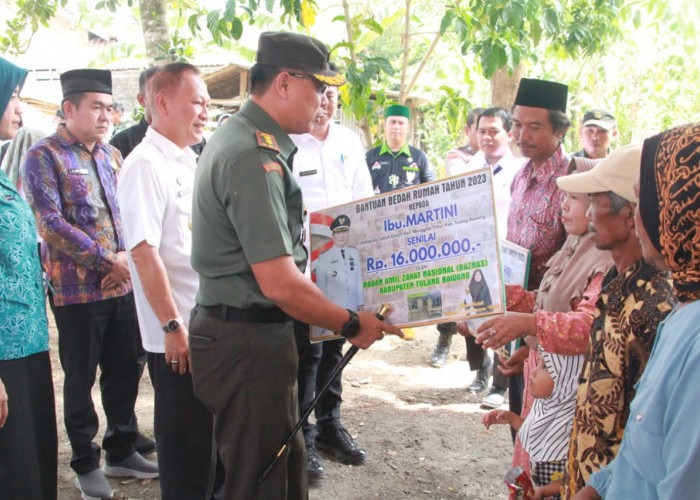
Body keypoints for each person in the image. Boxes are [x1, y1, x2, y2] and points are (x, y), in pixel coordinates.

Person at [189, 31, 403, 499]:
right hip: (245, 341)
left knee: (279, 470)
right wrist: (350, 323)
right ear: (284, 83)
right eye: (318, 88)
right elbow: (280, 283)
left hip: (254, 337)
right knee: (257, 481)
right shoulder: (252, 154)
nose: (325, 100)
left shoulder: (255, 140)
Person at [22, 68, 159, 500]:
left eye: (110, 107)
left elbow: (125, 216)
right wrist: (107, 261)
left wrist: (128, 263)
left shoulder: (110, 156)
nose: (106, 116)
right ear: (69, 109)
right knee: (80, 379)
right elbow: (49, 223)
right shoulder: (44, 155)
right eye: (96, 107)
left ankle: (122, 448)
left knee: (124, 371)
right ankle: (86, 461)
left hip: (122, 287)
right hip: (77, 291)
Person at [575, 122, 700, 500]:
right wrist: (598, 488)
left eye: (645, 202)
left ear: (682, 210)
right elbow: (643, 456)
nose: (640, 217)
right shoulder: (684, 307)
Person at [117, 63, 223, 499]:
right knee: (185, 451)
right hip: (178, 337)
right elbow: (144, 253)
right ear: (161, 103)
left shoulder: (189, 159)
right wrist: (172, 326)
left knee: (211, 447)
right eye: (197, 101)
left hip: (204, 324)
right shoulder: (144, 165)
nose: (205, 111)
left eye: (207, 103)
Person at [474, 155, 614, 475]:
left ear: (600, 205)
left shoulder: (607, 260)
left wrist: (526, 324)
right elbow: (549, 300)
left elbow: (587, 324)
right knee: (531, 461)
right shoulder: (575, 245)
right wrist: (503, 300)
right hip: (543, 381)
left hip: (566, 396)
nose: (563, 206)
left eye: (575, 199)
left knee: (549, 472)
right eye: (564, 196)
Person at [553, 143, 677, 498]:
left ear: (630, 213)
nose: (588, 213)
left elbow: (648, 431)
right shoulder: (615, 280)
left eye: (595, 201)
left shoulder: (656, 306)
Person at [289, 81, 374, 483]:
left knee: (335, 347)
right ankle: (302, 437)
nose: (323, 105)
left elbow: (364, 201)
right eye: (318, 95)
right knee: (307, 357)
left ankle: (329, 426)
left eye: (331, 97)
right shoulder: (287, 141)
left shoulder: (348, 141)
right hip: (299, 271)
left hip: (341, 265)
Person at [493, 78, 572, 423]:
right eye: (517, 125)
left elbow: (573, 277)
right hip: (520, 325)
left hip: (554, 336)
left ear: (560, 131)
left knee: (544, 438)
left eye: (534, 127)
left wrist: (534, 340)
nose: (522, 134)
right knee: (518, 425)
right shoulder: (520, 175)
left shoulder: (572, 184)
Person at [431, 108, 520, 413]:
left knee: (507, 316)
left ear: (509, 134)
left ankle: (500, 383)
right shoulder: (465, 170)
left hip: (507, 258)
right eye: (482, 131)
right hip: (471, 255)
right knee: (473, 316)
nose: (487, 137)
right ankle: (481, 372)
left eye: (494, 131)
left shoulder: (520, 171)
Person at [0, 55, 58, 500]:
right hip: (4, 356)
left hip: (28, 345)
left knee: (32, 466)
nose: (20, 109)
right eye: (14, 97)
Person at [483, 349, 584, 500]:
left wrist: (545, 491)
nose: (534, 372)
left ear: (566, 380)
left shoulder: (574, 426)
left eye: (546, 367)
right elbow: (537, 436)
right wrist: (511, 419)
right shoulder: (546, 408)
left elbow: (579, 479)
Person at [365, 104, 436, 194]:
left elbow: (433, 187)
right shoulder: (370, 157)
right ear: (385, 125)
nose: (396, 127)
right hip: (377, 208)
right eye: (393, 122)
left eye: (401, 123)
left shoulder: (419, 157)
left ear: (408, 127)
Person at [110, 67, 159, 160]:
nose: (164, 102)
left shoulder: (187, 141)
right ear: (142, 100)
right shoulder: (121, 143)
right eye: (156, 95)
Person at [444, 106, 484, 177]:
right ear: (467, 130)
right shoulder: (455, 155)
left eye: (491, 130)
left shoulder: (498, 153)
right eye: (480, 130)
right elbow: (460, 181)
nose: (485, 135)